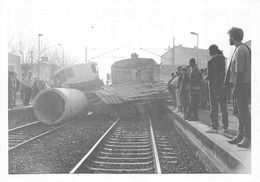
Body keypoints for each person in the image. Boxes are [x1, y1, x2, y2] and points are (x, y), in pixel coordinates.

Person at [224, 27, 251, 148]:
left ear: (234, 37)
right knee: (240, 112)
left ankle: (247, 137)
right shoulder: (238, 49)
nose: (229, 39)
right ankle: (240, 135)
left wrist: (235, 88)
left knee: (244, 112)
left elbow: (239, 72)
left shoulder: (241, 50)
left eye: (230, 37)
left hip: (242, 86)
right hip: (240, 85)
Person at [206, 44, 229, 133]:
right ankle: (225, 127)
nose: (208, 52)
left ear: (211, 51)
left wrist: (205, 78)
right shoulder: (222, 59)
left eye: (209, 50)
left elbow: (210, 76)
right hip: (222, 87)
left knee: (214, 107)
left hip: (213, 88)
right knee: (224, 107)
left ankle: (214, 127)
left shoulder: (210, 62)